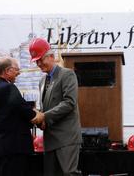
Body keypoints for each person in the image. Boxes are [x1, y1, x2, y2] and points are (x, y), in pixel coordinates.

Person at [29, 38, 82, 176]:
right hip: (50, 139)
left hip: (66, 138)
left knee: (69, 174)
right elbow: (46, 108)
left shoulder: (67, 74)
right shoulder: (42, 81)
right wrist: (40, 119)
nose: (39, 64)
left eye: (41, 59)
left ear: (51, 56)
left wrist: (44, 116)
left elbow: (69, 103)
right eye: (36, 61)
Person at [0, 57, 43, 176]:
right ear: (8, 71)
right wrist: (41, 117)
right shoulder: (8, 88)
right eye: (17, 70)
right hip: (14, 149)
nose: (18, 73)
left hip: (3, 148)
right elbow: (26, 111)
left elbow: (14, 111)